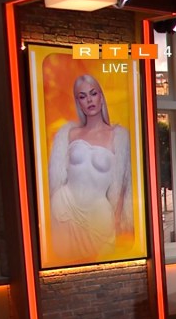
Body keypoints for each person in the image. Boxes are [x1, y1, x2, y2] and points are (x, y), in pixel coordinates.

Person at [48, 74, 131, 264]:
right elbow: (57, 176)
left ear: (101, 96)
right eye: (82, 96)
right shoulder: (68, 133)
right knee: (64, 265)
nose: (89, 100)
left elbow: (122, 186)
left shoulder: (119, 137)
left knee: (103, 265)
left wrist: (116, 221)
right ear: (78, 102)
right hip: (64, 209)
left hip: (99, 217)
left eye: (93, 93)